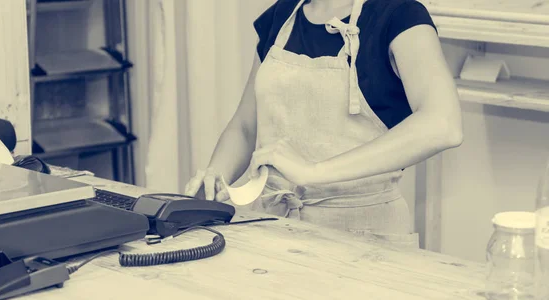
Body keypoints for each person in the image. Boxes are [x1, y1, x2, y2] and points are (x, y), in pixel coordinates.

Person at [184, 0, 463, 247]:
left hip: (365, 236)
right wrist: (214, 179)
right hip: (273, 226)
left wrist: (313, 172)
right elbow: (246, 126)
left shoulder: (400, 16)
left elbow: (442, 123)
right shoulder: (281, 16)